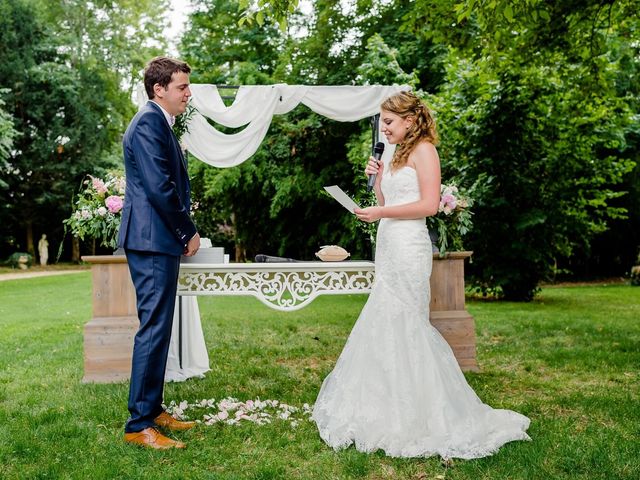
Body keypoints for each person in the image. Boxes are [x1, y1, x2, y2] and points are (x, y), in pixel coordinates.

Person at [312, 91, 530, 459]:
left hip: (410, 246)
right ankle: (383, 406)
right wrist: (377, 180)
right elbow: (385, 203)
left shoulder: (425, 151)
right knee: (385, 319)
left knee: (407, 321)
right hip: (389, 243)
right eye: (383, 123)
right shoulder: (395, 154)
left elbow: (429, 205)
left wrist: (381, 214)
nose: (385, 129)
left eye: (390, 122)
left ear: (410, 120)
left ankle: (419, 413)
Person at [117, 56, 201, 450]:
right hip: (152, 240)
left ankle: (153, 409)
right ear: (159, 89)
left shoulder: (157, 122)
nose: (188, 93)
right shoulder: (149, 122)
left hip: (155, 240)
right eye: (182, 87)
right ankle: (139, 424)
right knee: (153, 329)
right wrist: (187, 230)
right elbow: (159, 187)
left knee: (160, 326)